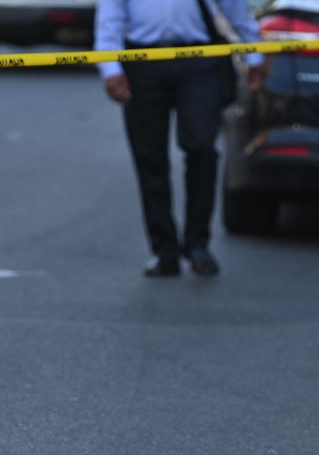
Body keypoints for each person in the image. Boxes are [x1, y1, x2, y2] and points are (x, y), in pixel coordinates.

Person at [96, 0, 265, 278]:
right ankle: (164, 251)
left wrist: (255, 56)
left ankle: (198, 244)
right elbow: (109, 20)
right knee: (149, 157)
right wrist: (111, 70)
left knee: (201, 147)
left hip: (198, 63)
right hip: (142, 65)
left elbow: (235, 9)